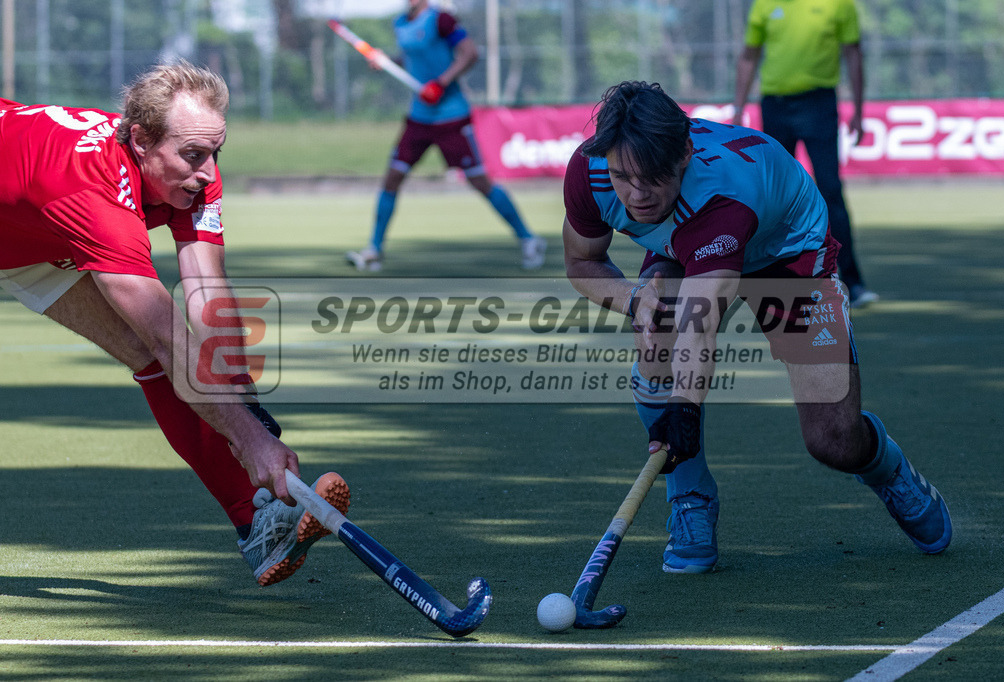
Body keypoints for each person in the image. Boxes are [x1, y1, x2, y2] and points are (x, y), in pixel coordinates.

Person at [562, 81, 951, 574]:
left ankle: (885, 466)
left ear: (683, 155)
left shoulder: (724, 199)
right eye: (623, 176)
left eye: (652, 178)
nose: (636, 196)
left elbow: (699, 327)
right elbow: (582, 263)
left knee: (832, 440)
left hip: (788, 248)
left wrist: (682, 410)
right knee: (657, 320)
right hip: (683, 243)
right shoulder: (593, 167)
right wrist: (634, 298)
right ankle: (691, 497)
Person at [0, 61, 349, 587]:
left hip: (27, 231)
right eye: (193, 156)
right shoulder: (96, 201)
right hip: (42, 211)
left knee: (168, 366)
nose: (209, 172)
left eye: (216, 153)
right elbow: (168, 338)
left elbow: (208, 293)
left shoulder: (193, 170)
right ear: (140, 140)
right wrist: (250, 440)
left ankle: (255, 525)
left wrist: (242, 399)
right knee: (163, 351)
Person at [345, 0, 546, 272]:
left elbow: (469, 53)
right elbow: (414, 58)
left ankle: (528, 240)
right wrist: (387, 61)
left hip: (451, 116)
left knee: (480, 182)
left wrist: (440, 83)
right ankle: (374, 251)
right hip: (418, 118)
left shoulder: (442, 20)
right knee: (392, 178)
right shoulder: (400, 24)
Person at [731, 0, 878, 308]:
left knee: (830, 191)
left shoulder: (839, 5)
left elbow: (853, 53)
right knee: (773, 196)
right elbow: (749, 55)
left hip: (820, 104)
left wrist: (860, 110)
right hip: (775, 106)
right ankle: (774, 282)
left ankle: (851, 282)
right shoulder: (764, 5)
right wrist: (739, 108)